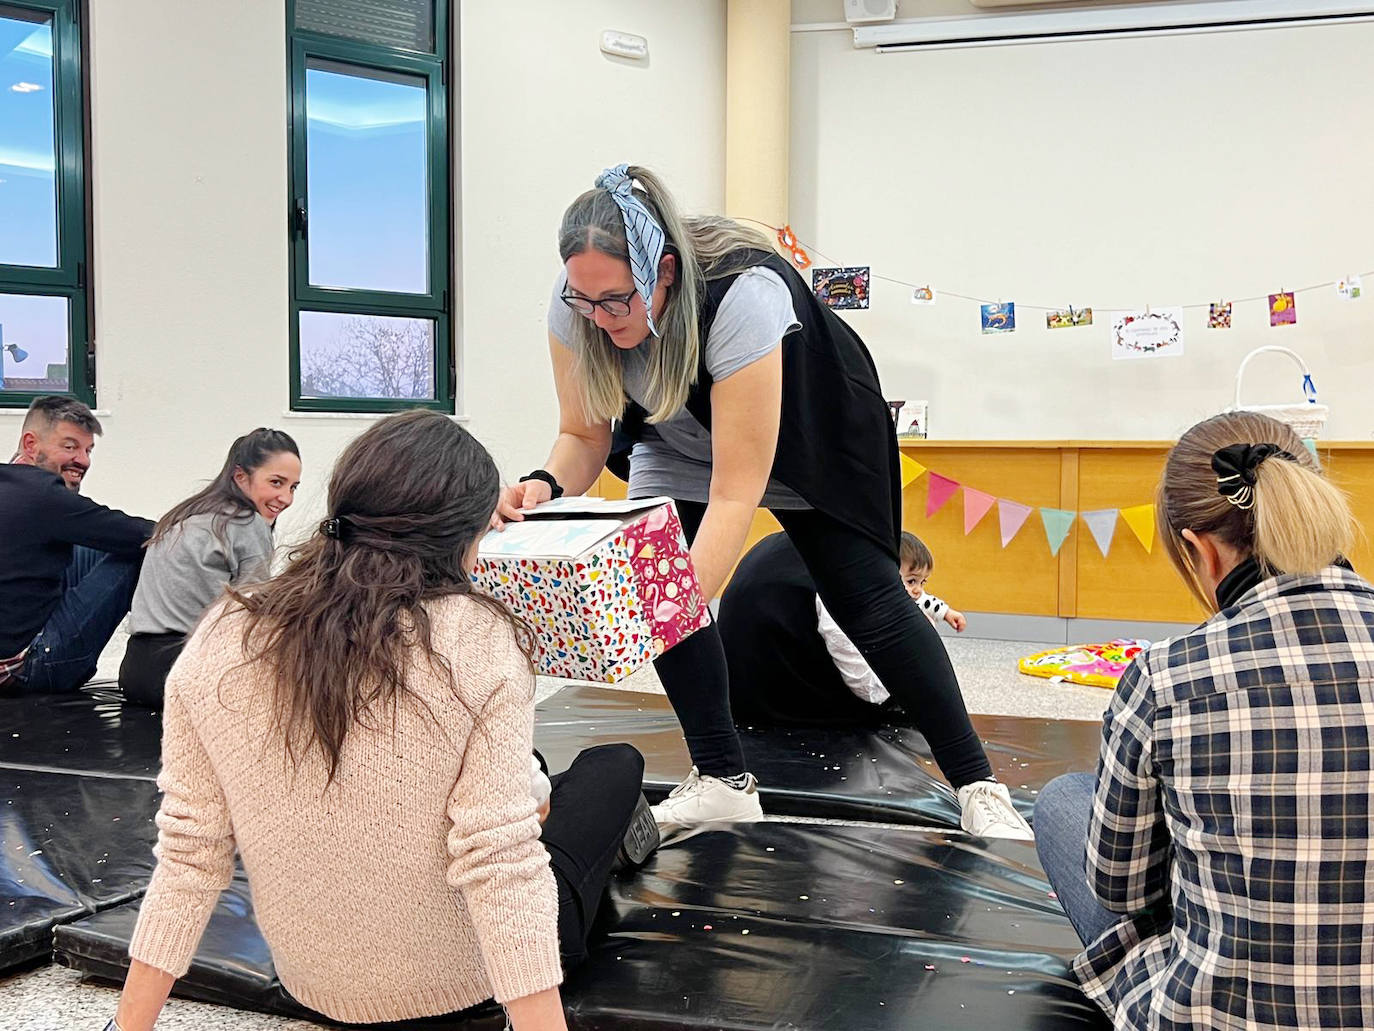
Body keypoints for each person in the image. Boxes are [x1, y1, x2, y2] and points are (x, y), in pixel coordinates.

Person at [495, 163, 1027, 838]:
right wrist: (540, 485)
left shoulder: (742, 293)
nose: (599, 319)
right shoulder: (578, 302)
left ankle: (977, 782)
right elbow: (581, 433)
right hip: (678, 429)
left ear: (663, 272)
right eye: (585, 302)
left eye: (616, 302)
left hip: (812, 429)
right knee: (659, 575)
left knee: (867, 600)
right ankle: (722, 779)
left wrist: (660, 615)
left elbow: (734, 493)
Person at [109, 411, 655, 1031]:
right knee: (612, 767)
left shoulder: (224, 635)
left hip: (310, 980)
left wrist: (127, 1027)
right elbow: (501, 865)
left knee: (526, 790)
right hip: (464, 979)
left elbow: (190, 853)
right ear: (470, 535)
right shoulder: (478, 638)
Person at [1034, 411, 1374, 1030]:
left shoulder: (1166, 675)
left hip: (1213, 1012)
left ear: (1198, 548)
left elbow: (1123, 892)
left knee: (1063, 801)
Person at [720, 532, 982, 730]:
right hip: (785, 710)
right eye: (911, 581)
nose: (917, 590)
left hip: (737, 698)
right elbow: (867, 688)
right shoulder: (844, 568)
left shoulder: (790, 542)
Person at [118, 428, 301, 706]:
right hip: (182, 670)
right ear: (241, 477)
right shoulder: (247, 523)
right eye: (276, 483)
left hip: (136, 669)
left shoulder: (188, 514)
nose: (286, 498)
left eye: (293, 487)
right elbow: (253, 613)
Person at [0, 396, 153, 695]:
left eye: (88, 450)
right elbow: (136, 532)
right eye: (69, 446)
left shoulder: (11, 485)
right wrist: (198, 527)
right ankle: (159, 655)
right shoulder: (43, 496)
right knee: (140, 548)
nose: (83, 460)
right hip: (25, 670)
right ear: (31, 445)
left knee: (90, 545)